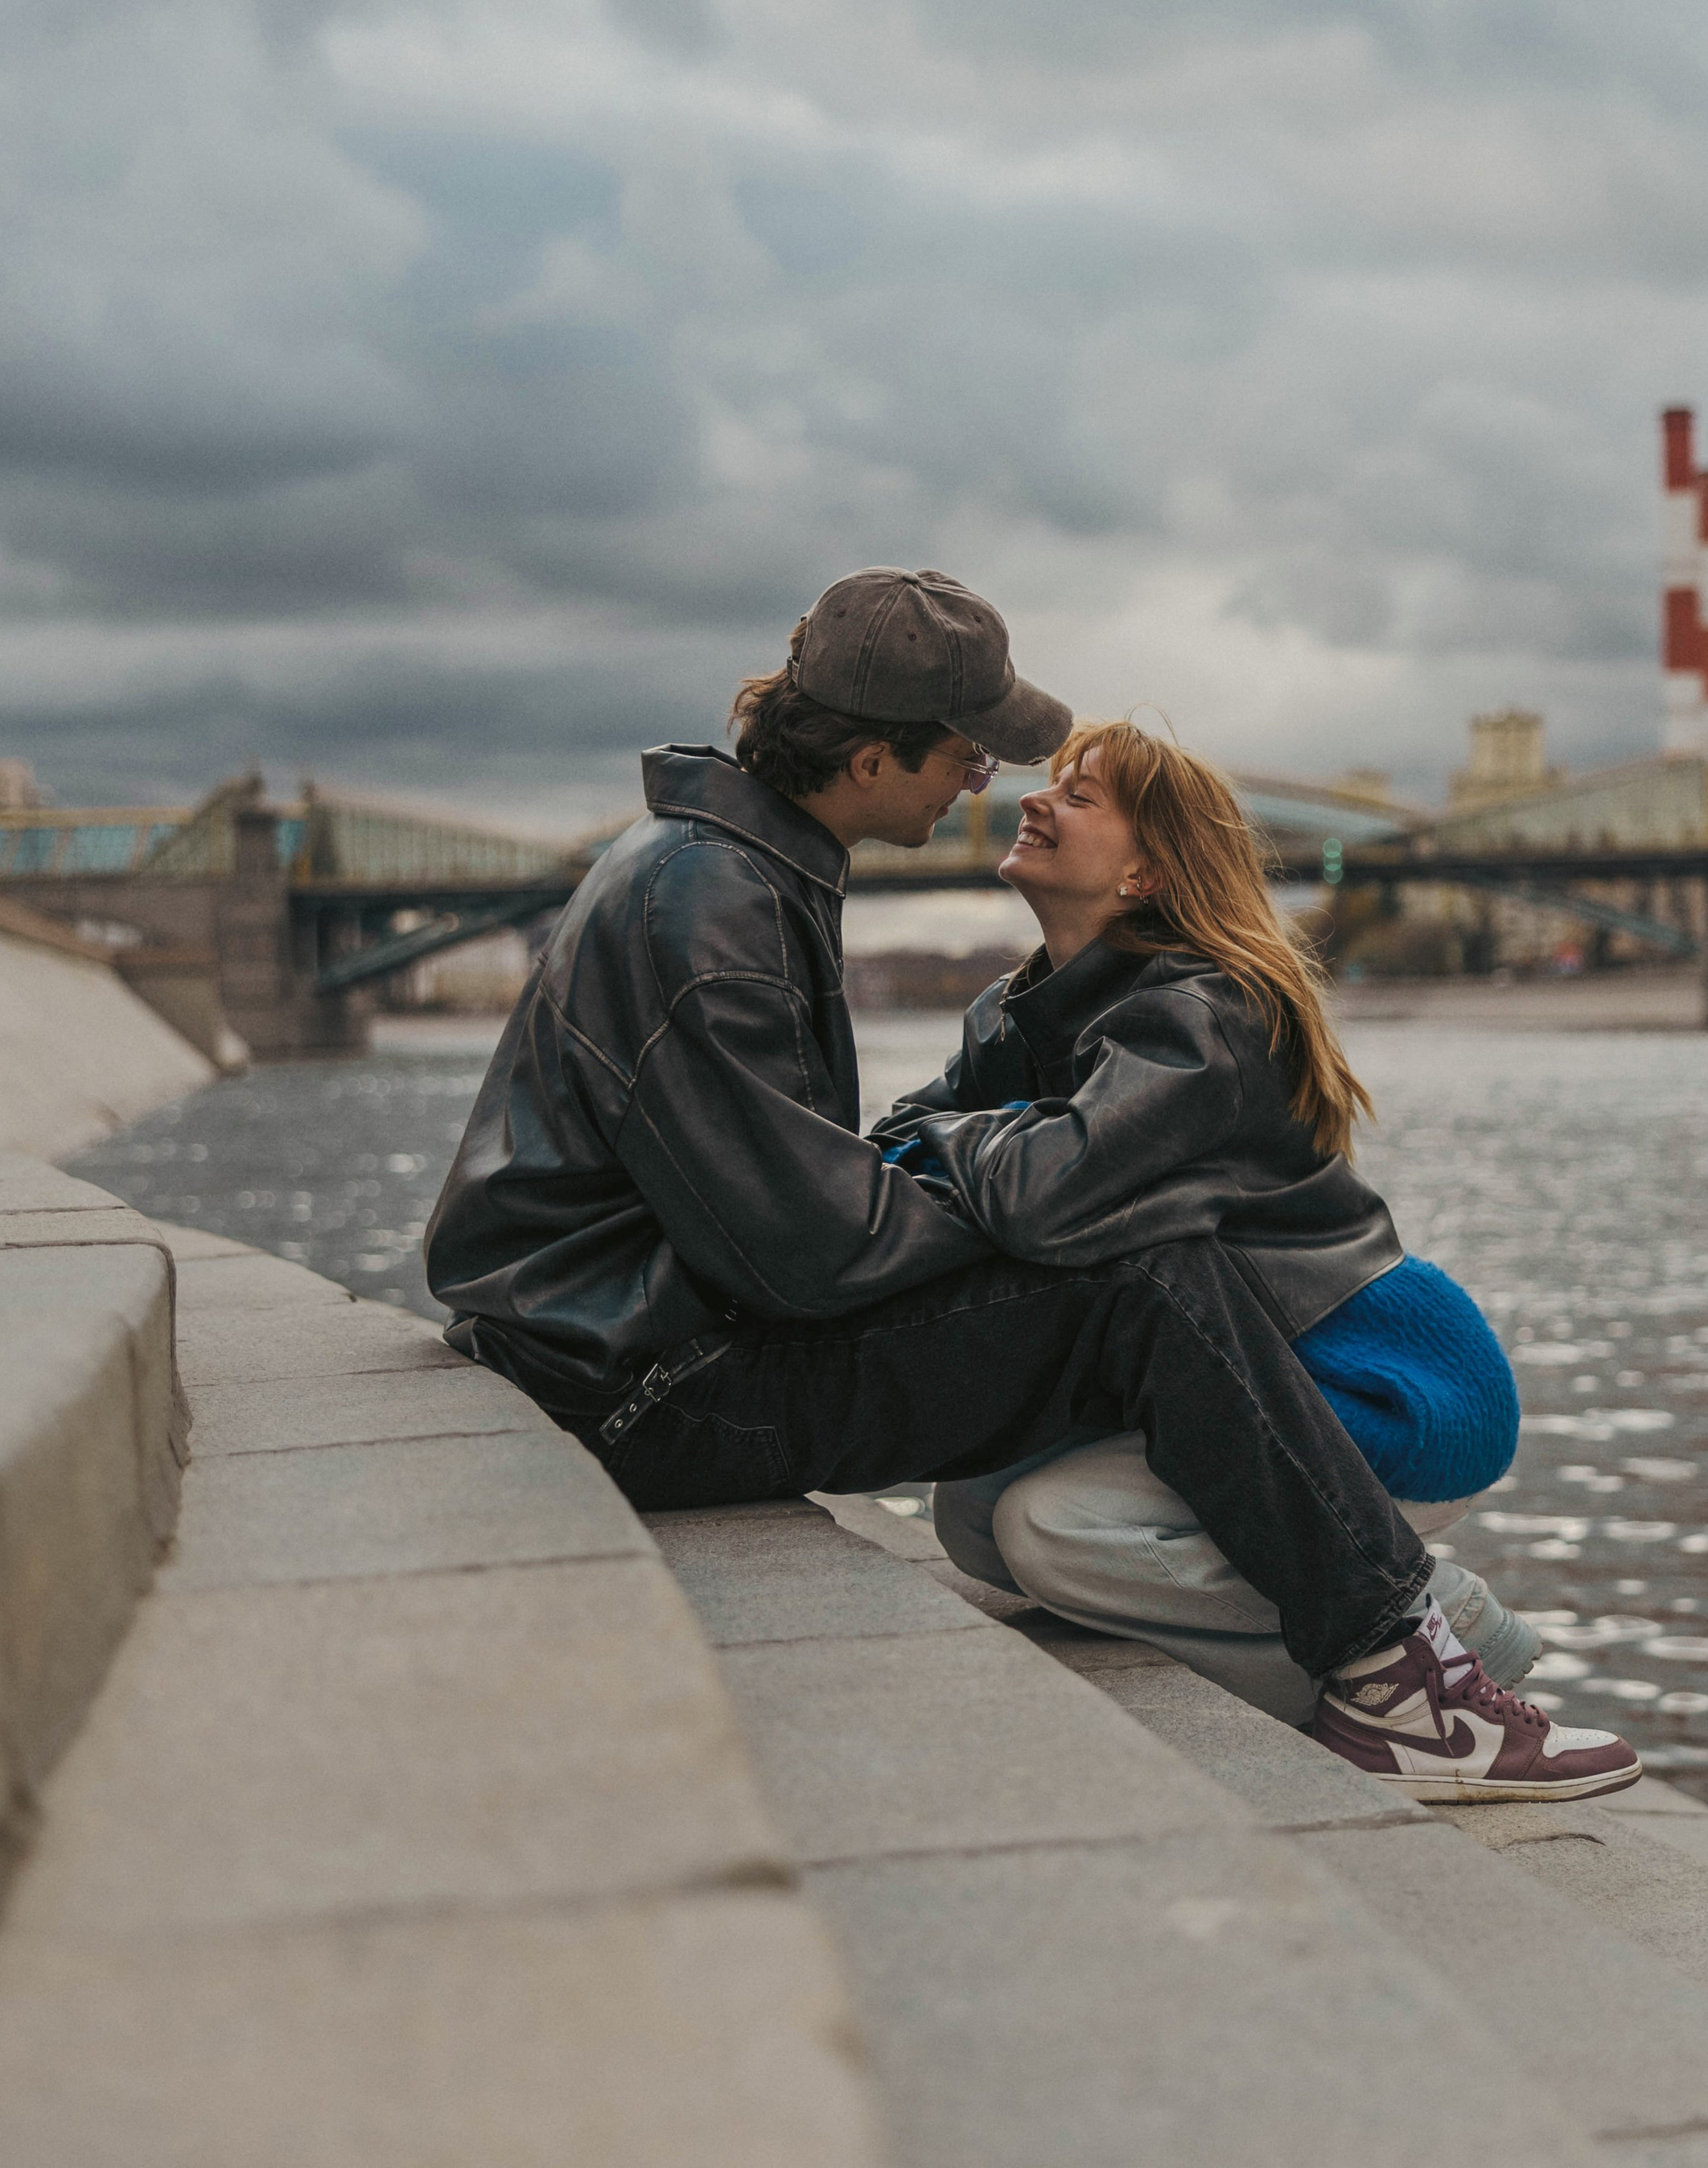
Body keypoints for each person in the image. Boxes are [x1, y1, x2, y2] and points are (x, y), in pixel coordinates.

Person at [424, 567, 1455, 1742]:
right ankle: (1399, 1667)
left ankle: (1391, 1635)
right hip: (637, 1383)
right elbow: (819, 1251)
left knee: (1104, 1285)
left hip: (622, 1335)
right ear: (871, 762)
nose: (985, 782)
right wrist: (1035, 1187)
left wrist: (983, 1172)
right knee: (1144, 1273)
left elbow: (848, 1184)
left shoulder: (719, 867)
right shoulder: (711, 907)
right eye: (966, 754)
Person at [868, 720, 1641, 1802]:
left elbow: (1039, 1193)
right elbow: (889, 1145)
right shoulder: (1016, 1013)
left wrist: (960, 1141)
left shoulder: (1201, 1015)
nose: (1036, 801)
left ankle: (1425, 1640)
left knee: (1053, 1533)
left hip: (1394, 1380)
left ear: (1144, 872)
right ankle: (1392, 1613)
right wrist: (965, 1139)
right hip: (1242, 1372)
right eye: (1049, 785)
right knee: (971, 1520)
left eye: (1081, 796)